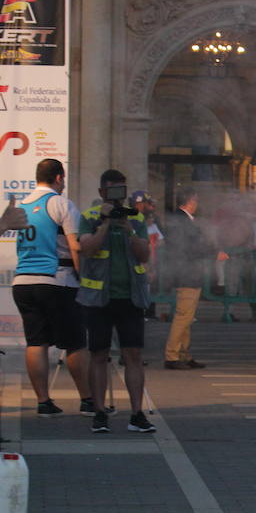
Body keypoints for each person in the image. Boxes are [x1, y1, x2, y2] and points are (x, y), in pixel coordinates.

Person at [12, 158, 92, 417]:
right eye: (63, 178)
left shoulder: (23, 204)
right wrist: (84, 279)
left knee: (36, 342)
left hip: (23, 281)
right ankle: (87, 399)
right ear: (59, 177)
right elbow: (75, 246)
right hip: (57, 280)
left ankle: (44, 401)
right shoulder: (60, 203)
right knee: (76, 343)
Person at [77, 169, 154, 434]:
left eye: (121, 191)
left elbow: (144, 254)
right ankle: (99, 413)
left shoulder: (137, 218)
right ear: (101, 193)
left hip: (131, 297)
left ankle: (137, 414)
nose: (117, 197)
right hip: (98, 299)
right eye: (112, 192)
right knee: (98, 355)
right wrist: (107, 223)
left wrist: (129, 229)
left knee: (133, 354)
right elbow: (87, 248)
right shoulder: (88, 217)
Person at [161, 188, 216, 370]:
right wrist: (214, 253)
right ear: (190, 201)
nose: (197, 204)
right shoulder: (183, 221)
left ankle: (184, 353)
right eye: (196, 201)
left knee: (187, 316)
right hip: (187, 274)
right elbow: (191, 248)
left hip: (187, 272)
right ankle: (172, 354)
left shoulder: (180, 220)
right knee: (183, 316)